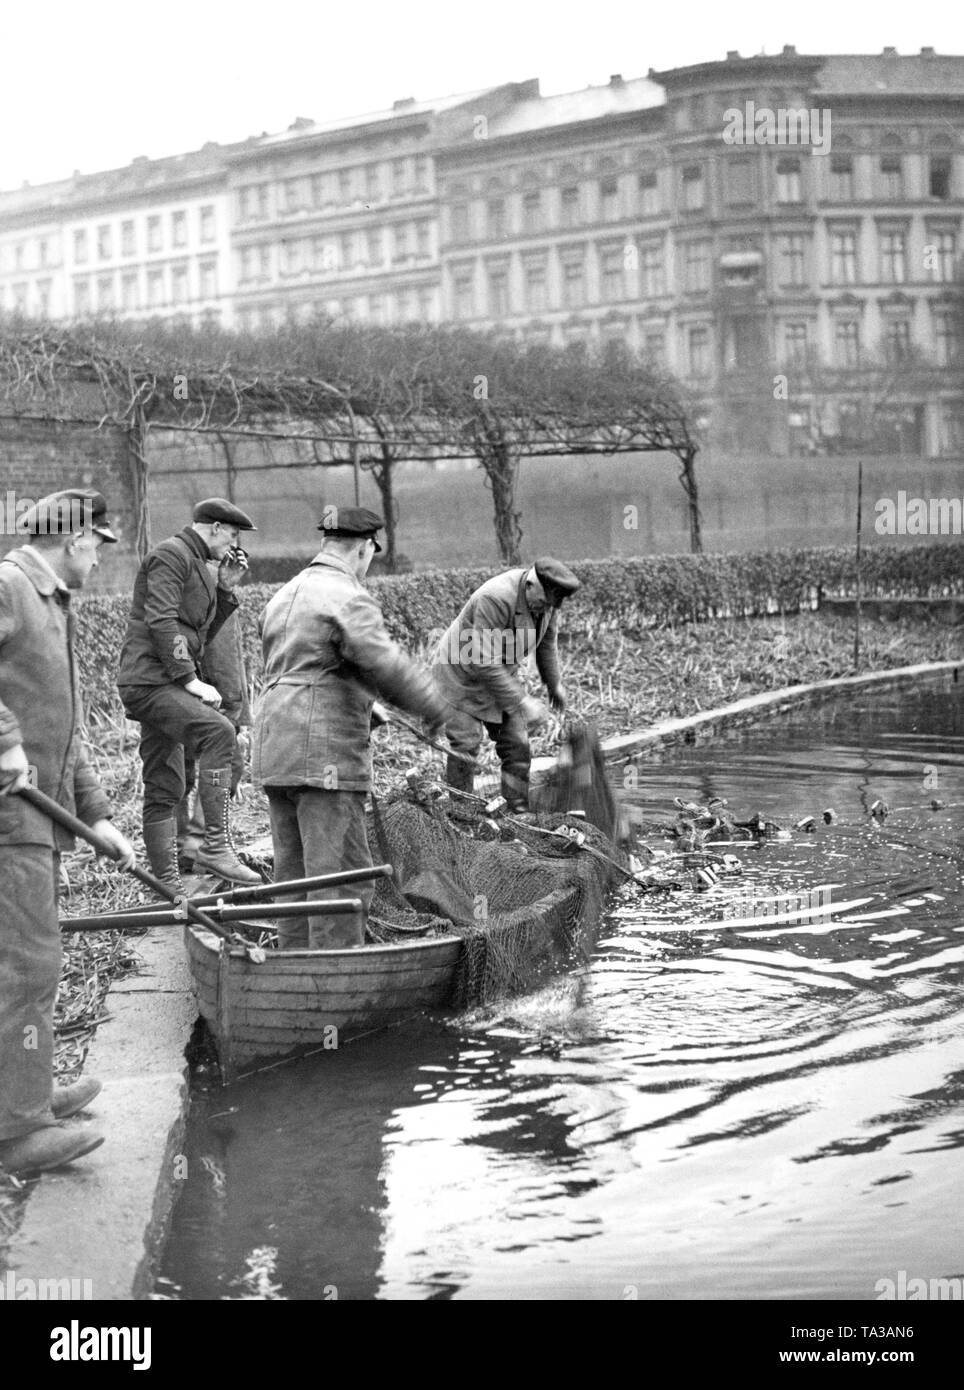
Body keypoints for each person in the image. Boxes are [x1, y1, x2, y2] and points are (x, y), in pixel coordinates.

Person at [0, 488, 136, 1177]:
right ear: (76, 539)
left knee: (34, 962)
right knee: (25, 966)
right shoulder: (8, 586)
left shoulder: (51, 602)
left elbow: (70, 725)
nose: (100, 560)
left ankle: (26, 1093)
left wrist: (100, 814)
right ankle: (15, 1135)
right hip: (7, 821)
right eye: (98, 546)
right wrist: (3, 740)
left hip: (41, 821)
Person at [252, 506, 449, 949]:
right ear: (365, 548)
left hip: (274, 749)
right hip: (323, 755)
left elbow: (304, 668)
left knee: (294, 878)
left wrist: (366, 704)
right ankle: (333, 990)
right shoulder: (347, 595)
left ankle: (292, 976)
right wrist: (436, 707)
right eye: (371, 556)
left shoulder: (284, 594)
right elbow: (384, 664)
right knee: (340, 880)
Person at [117, 498, 260, 888]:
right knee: (218, 732)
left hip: (158, 682)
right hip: (151, 681)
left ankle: (167, 886)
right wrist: (189, 679)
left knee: (165, 782)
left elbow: (199, 637)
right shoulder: (170, 555)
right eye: (232, 534)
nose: (234, 545)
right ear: (213, 528)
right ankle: (215, 847)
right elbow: (160, 619)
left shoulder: (200, 565)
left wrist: (226, 589)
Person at [431, 556, 580, 812]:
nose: (544, 610)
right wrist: (522, 701)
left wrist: (554, 683)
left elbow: (546, 644)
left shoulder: (547, 604)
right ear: (531, 584)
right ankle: (461, 814)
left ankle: (517, 813)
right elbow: (483, 661)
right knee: (465, 745)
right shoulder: (496, 598)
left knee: (517, 747)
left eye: (550, 606)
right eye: (543, 603)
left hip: (499, 674)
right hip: (461, 675)